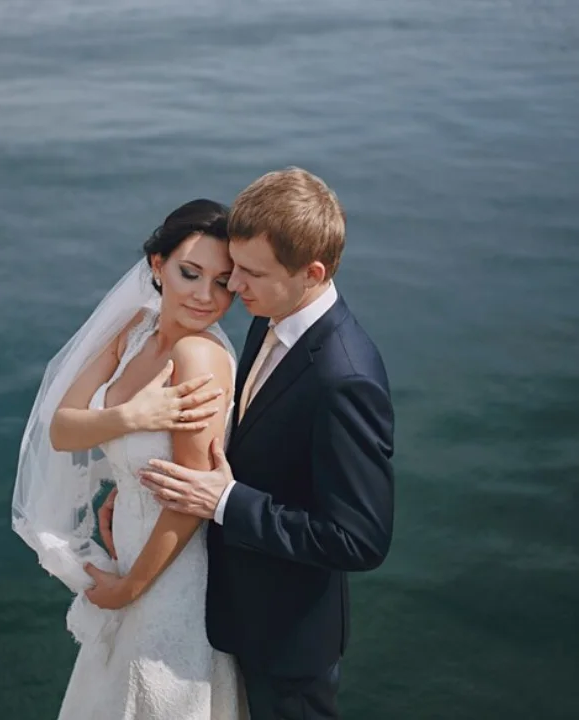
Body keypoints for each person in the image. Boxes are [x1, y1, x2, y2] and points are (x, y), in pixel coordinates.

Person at [137, 168, 396, 720]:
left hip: (289, 641)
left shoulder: (344, 378)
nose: (232, 287)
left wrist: (226, 502)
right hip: (235, 613)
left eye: (251, 274)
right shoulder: (271, 314)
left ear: (313, 272)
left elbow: (360, 539)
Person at [11, 199, 248, 719]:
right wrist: (133, 419)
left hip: (174, 576)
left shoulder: (199, 356)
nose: (206, 295)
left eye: (225, 281)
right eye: (191, 272)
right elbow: (62, 428)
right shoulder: (136, 331)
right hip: (129, 550)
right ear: (158, 266)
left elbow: (191, 499)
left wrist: (130, 590)